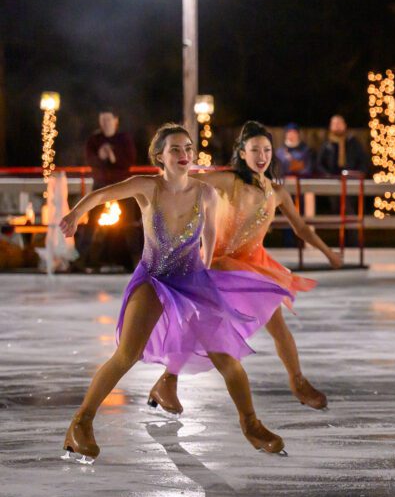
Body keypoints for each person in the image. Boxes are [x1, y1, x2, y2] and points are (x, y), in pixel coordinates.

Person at [58, 124, 294, 463]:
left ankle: (251, 424)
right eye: (175, 150)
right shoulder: (147, 187)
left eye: (188, 148)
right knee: (127, 354)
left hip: (192, 281)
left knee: (226, 354)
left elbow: (209, 236)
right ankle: (80, 424)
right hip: (154, 279)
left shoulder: (205, 193)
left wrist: (206, 272)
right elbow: (102, 195)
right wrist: (76, 213)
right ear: (159, 157)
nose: (184, 155)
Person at [147, 121, 343, 415]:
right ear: (242, 153)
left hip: (254, 268)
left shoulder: (277, 192)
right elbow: (189, 182)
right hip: (219, 265)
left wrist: (329, 253)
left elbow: (301, 228)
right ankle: (167, 381)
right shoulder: (229, 182)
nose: (262, 156)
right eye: (255, 150)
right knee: (206, 327)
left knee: (276, 324)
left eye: (266, 150)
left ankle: (298, 381)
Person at [80, 108, 139, 271]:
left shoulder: (124, 139)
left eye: (108, 120)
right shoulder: (94, 139)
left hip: (122, 184)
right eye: (102, 120)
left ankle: (137, 260)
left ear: (115, 121)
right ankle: (82, 258)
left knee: (129, 223)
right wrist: (100, 155)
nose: (105, 123)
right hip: (101, 184)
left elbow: (129, 160)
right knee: (92, 222)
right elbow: (90, 160)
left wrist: (113, 155)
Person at [316, 114, 371, 243]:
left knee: (348, 209)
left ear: (344, 125)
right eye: (334, 124)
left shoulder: (352, 142)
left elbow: (363, 161)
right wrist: (327, 176)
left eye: (339, 123)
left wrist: (358, 174)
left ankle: (353, 240)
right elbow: (319, 164)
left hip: (351, 181)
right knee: (338, 211)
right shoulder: (327, 144)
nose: (336, 126)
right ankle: (346, 240)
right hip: (333, 182)